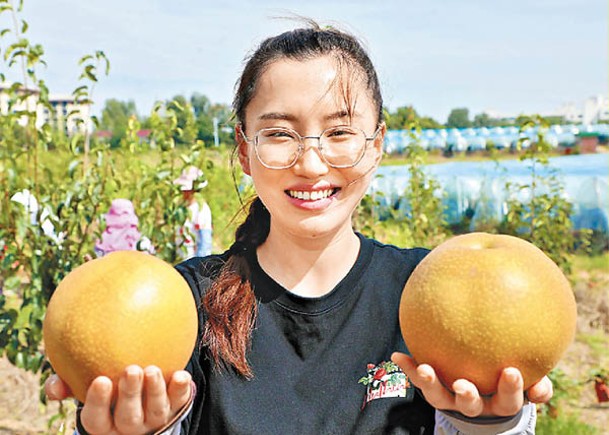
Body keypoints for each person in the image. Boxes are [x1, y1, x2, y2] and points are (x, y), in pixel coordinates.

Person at [46, 23, 553, 434]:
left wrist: (492, 427)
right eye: (279, 134)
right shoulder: (180, 306)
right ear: (245, 151)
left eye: (339, 132)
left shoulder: (431, 295)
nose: (311, 163)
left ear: (376, 146)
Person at [174, 166, 213, 259]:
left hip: (191, 260)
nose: (184, 192)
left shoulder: (201, 210)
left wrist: (198, 267)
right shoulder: (181, 207)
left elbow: (205, 242)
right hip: (180, 257)